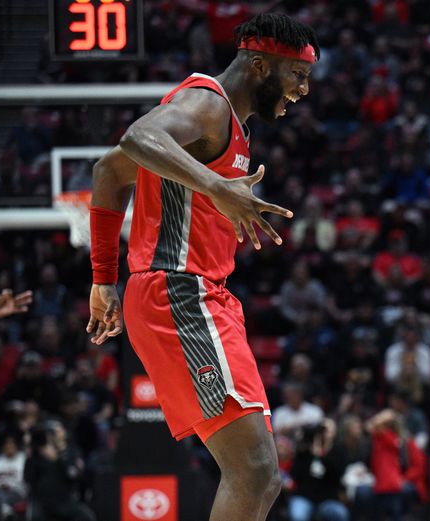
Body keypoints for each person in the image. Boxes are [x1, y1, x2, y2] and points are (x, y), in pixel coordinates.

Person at [85, 13, 319, 521]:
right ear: (260, 66)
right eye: (298, 76)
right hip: (179, 291)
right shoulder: (207, 104)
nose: (302, 91)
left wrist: (103, 280)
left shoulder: (224, 125)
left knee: (260, 478)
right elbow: (136, 139)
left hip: (198, 294)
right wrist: (216, 187)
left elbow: (108, 173)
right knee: (255, 471)